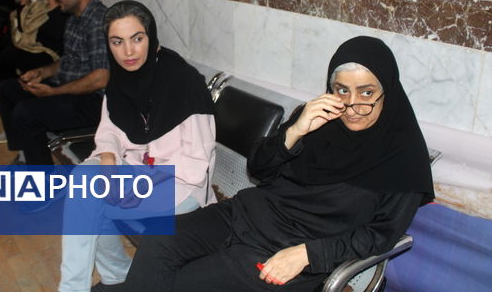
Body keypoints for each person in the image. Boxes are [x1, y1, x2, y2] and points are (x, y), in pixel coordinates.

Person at [117, 36, 435, 292]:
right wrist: (295, 132)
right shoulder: (318, 120)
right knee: (158, 241)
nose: (352, 106)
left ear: (387, 91)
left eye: (366, 93)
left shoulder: (403, 158)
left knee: (183, 283)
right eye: (342, 90)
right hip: (243, 216)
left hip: (289, 252)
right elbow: (258, 170)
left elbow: (379, 235)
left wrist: (308, 254)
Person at [58, 1, 217, 292]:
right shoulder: (120, 79)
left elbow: (196, 165)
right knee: (84, 184)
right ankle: (100, 279)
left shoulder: (184, 83)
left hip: (181, 186)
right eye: (117, 42)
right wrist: (108, 159)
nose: (128, 52)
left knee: (90, 203)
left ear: (151, 37)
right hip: (136, 171)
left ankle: (108, 277)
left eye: (137, 39)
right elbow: (109, 129)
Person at [0, 0, 109, 165]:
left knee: (26, 113)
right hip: (69, 90)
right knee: (6, 89)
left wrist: (54, 92)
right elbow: (67, 61)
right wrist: (42, 72)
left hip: (93, 101)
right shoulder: (74, 18)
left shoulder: (98, 21)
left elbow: (100, 78)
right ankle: (26, 154)